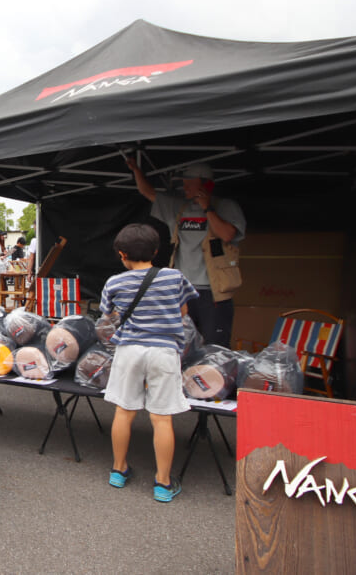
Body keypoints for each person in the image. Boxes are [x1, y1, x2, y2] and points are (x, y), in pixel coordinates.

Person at [100, 223, 198, 503]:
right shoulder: (175, 277)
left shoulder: (115, 282)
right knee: (161, 417)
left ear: (121, 254)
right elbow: (184, 310)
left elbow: (109, 315)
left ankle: (118, 471)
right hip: (164, 351)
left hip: (129, 350)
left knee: (124, 411)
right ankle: (163, 483)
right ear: (156, 251)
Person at [127, 159, 246, 346]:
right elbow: (148, 192)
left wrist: (207, 207)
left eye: (190, 182)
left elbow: (227, 234)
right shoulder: (179, 207)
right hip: (183, 291)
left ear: (206, 183)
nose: (185, 186)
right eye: (184, 181)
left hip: (214, 292)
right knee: (183, 345)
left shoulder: (225, 206)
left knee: (214, 347)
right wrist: (136, 169)